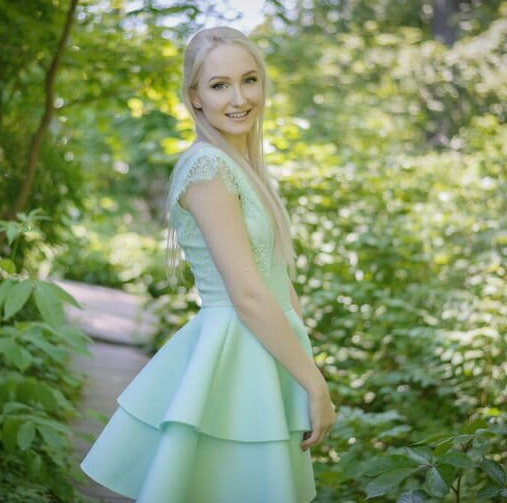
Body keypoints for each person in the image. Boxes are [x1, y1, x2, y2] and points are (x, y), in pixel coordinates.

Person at [80, 26, 336, 502]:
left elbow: (276, 280)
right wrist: (314, 382)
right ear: (195, 96)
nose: (239, 98)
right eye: (220, 85)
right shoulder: (209, 168)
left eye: (249, 80)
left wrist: (302, 365)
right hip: (237, 350)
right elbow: (248, 293)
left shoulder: (241, 166)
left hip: (268, 350)